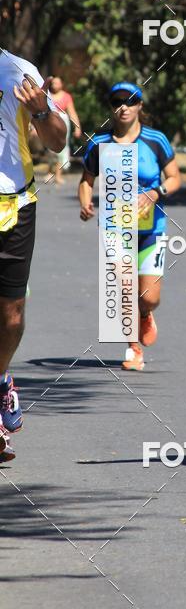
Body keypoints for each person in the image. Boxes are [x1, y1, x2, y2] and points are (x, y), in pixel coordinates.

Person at [79, 82, 181, 371]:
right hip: (114, 229)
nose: (123, 107)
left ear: (140, 106)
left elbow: (175, 178)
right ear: (111, 107)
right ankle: (133, 348)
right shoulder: (99, 144)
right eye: (116, 102)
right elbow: (86, 181)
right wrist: (85, 204)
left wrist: (155, 192)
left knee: (149, 297)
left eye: (130, 101)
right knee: (124, 290)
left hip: (152, 229)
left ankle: (145, 313)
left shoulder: (155, 140)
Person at [0, 49, 67, 461]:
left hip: (14, 204)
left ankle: (2, 378)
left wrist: (41, 111)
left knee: (11, 316)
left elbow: (57, 140)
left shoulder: (19, 70)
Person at [46, 77, 82, 184]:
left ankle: (58, 175)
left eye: (57, 82)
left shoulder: (66, 97)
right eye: (53, 83)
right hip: (49, 123)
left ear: (61, 84)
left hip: (62, 124)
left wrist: (77, 127)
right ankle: (50, 172)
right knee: (50, 149)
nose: (54, 85)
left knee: (61, 148)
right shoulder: (47, 95)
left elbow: (72, 112)